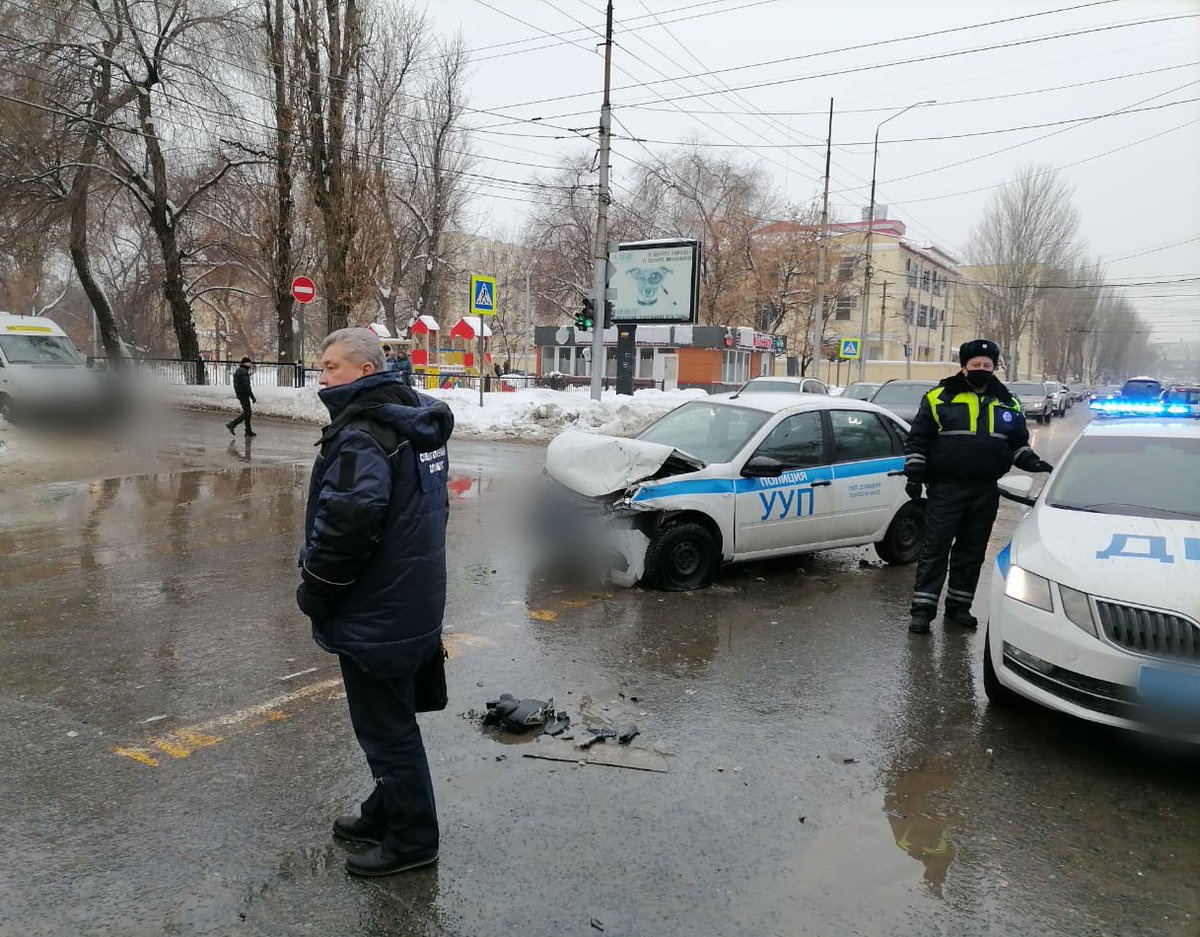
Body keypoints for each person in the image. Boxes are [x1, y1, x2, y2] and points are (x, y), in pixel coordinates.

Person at [295, 327, 453, 876]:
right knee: (392, 719)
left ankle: (413, 841)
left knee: (386, 731)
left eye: (331, 367)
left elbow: (347, 525)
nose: (321, 377)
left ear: (366, 372)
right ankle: (385, 811)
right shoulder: (413, 421)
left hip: (377, 608)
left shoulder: (362, 434)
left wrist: (316, 588)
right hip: (410, 598)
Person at [903, 339, 1053, 634]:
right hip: (946, 488)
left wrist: (1033, 462)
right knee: (935, 550)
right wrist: (914, 474)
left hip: (985, 490)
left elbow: (1016, 445)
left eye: (987, 365)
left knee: (971, 553)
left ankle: (959, 607)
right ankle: (922, 612)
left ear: (994, 367)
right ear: (964, 367)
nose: (982, 370)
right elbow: (919, 439)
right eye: (976, 365)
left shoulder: (1008, 403)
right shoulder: (939, 398)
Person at [226, 357, 257, 437]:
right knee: (247, 413)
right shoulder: (243, 372)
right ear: (245, 363)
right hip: (243, 394)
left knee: (248, 413)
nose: (250, 364)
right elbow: (247, 386)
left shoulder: (241, 370)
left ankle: (248, 431)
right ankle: (232, 424)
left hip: (241, 393)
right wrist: (252, 396)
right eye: (249, 362)